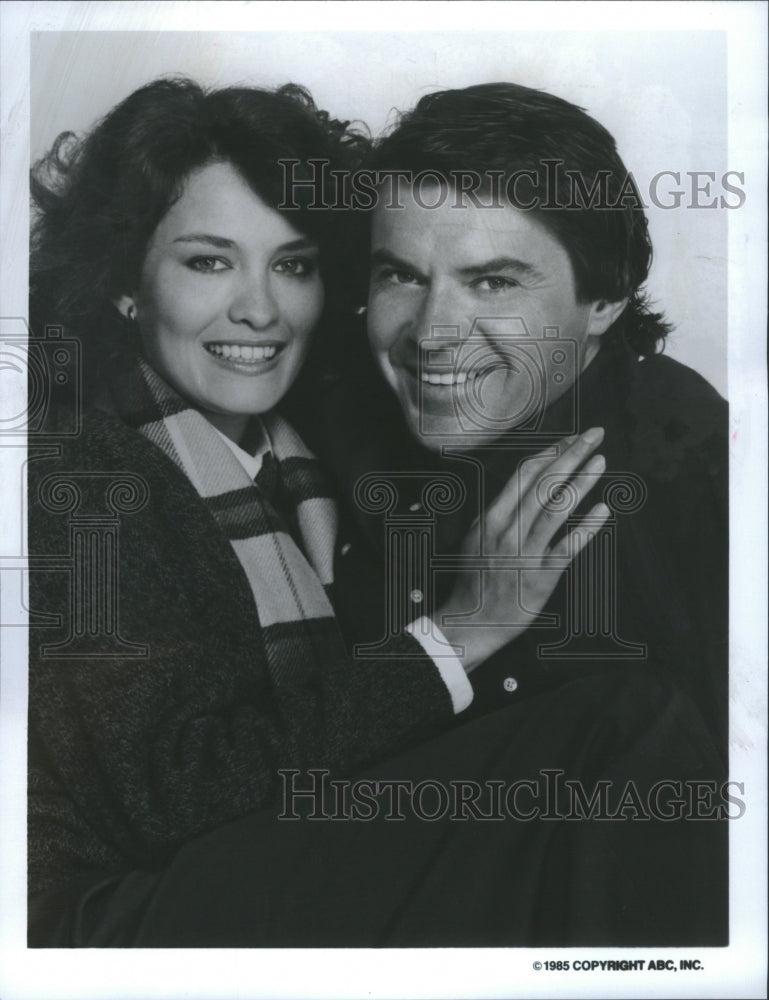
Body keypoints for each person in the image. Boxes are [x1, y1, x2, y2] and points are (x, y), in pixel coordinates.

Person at [28, 77, 726, 949]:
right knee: (624, 729)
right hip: (109, 921)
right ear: (123, 283)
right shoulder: (75, 471)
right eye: (207, 260)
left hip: (298, 873)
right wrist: (463, 629)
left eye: (294, 265)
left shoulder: (313, 443)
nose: (258, 307)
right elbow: (167, 799)